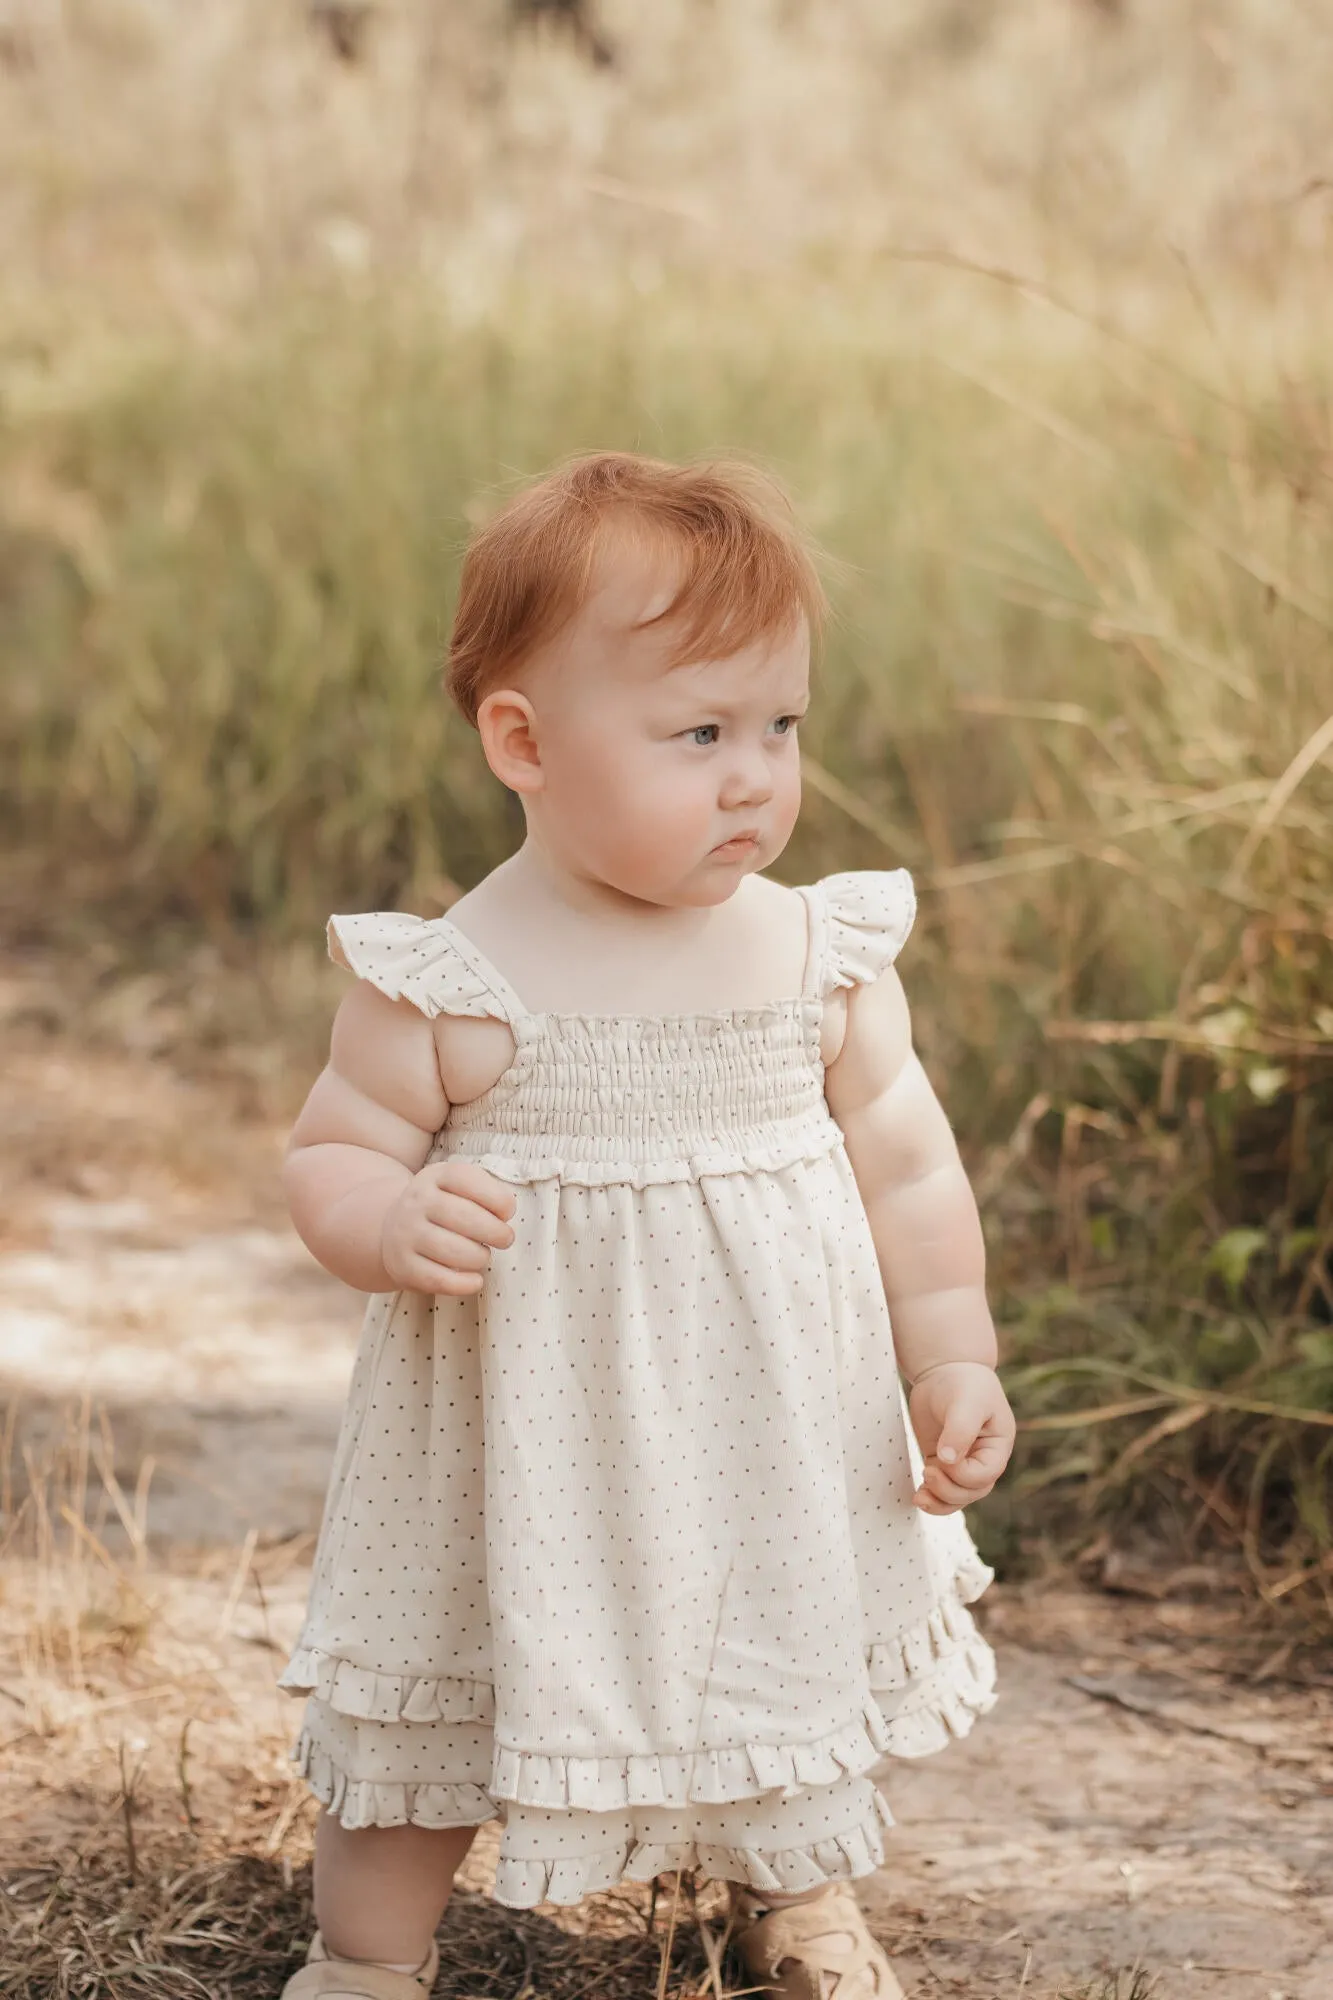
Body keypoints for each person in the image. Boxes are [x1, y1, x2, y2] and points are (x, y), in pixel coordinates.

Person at [277, 451, 1015, 2000]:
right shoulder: (454, 983)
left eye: (779, 727)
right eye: (698, 734)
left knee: (778, 1645)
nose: (755, 776)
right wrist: (389, 1214)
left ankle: (797, 1899)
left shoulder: (817, 954)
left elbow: (908, 1166)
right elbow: (330, 1153)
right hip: (520, 1447)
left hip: (768, 1425)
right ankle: (367, 1956)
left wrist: (951, 1356)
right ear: (523, 742)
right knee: (432, 1712)